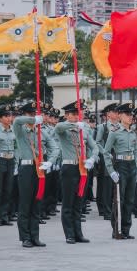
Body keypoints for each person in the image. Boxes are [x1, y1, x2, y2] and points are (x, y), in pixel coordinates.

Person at [13, 102, 59, 248]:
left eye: (35, 115)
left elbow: (55, 148)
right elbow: (16, 120)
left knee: (36, 203)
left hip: (40, 169)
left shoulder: (41, 132)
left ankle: (35, 236)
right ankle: (25, 237)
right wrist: (33, 120)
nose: (33, 117)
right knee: (25, 204)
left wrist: (50, 162)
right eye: (31, 114)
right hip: (26, 169)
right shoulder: (21, 131)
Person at [54, 101, 99, 244]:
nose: (77, 116)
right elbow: (58, 127)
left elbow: (95, 147)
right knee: (68, 203)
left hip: (82, 169)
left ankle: (78, 233)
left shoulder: (84, 129)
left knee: (79, 203)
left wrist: (92, 158)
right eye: (73, 114)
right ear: (67, 115)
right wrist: (74, 124)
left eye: (78, 113)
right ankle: (69, 234)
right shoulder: (64, 128)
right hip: (69, 168)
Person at [102, 102, 137, 239]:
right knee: (119, 200)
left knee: (130, 200)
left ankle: (126, 229)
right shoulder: (115, 133)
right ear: (120, 116)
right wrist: (111, 170)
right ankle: (116, 230)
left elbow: (135, 153)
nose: (130, 117)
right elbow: (106, 153)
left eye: (131, 115)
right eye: (127, 114)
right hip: (120, 165)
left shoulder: (133, 133)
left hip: (131, 166)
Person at [95, 103, 119, 220]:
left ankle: (115, 208)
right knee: (106, 185)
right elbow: (97, 142)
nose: (117, 114)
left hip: (118, 157)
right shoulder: (103, 127)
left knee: (116, 183)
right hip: (107, 157)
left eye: (118, 112)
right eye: (115, 112)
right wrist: (105, 152)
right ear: (108, 114)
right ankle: (106, 210)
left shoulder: (120, 126)